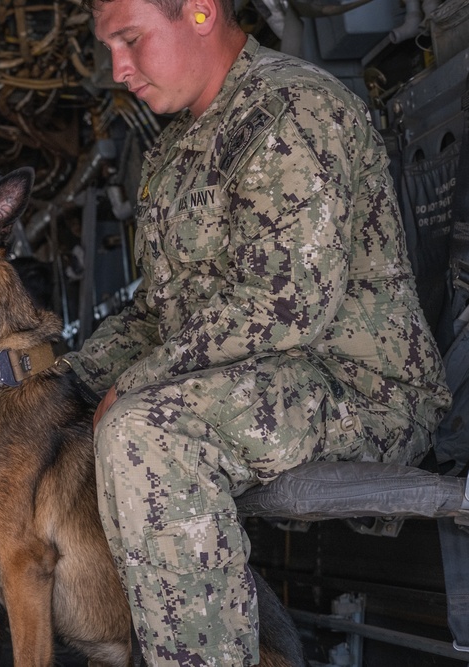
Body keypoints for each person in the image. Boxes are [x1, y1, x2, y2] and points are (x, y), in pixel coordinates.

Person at [62, 0, 453, 665]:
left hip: (358, 390)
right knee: (65, 418)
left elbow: (284, 305)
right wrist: (64, 378)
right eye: (109, 48)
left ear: (200, 12)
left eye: (130, 40)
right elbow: (160, 315)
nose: (118, 68)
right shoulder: (172, 152)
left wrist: (131, 384)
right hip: (258, 386)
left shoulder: (293, 109)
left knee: (143, 430)